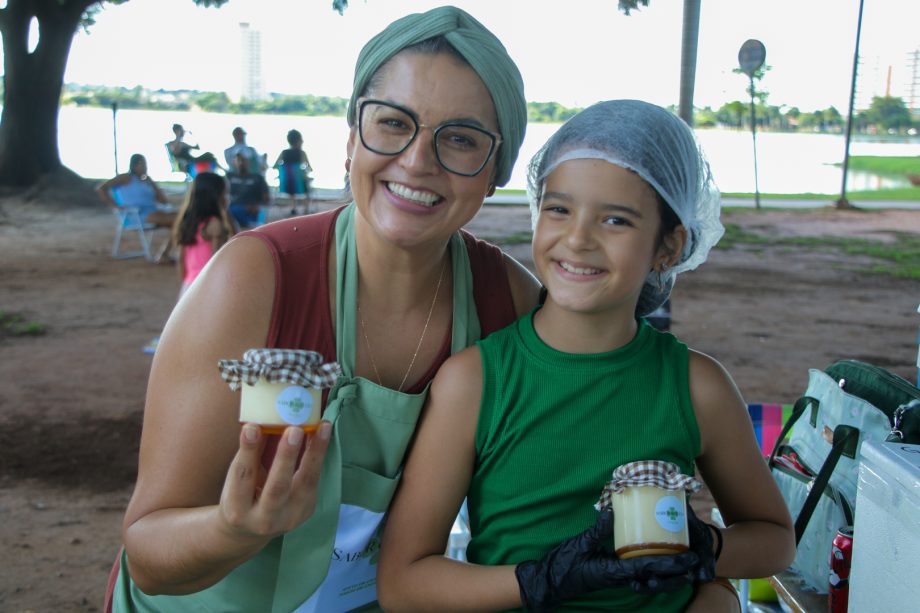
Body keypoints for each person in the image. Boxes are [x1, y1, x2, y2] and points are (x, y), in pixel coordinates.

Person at [106, 8, 737, 612]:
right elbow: (149, 554)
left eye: (460, 139)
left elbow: (603, 453)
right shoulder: (257, 278)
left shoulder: (509, 304)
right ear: (352, 137)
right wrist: (234, 528)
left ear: (498, 171)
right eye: (391, 122)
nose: (416, 161)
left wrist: (701, 581)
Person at [377, 100, 796, 611]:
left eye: (616, 220)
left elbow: (774, 540)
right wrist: (540, 580)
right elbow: (403, 584)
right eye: (558, 209)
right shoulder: (475, 381)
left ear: (669, 247)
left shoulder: (696, 385)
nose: (577, 239)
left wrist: (704, 551)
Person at [171, 172, 236, 297]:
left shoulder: (188, 222)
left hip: (189, 284)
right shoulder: (215, 224)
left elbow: (180, 259)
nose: (228, 198)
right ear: (216, 196)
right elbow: (216, 259)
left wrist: (187, 282)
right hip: (207, 284)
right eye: (226, 193)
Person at [96, 153, 175, 232]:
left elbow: (164, 202)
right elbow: (101, 188)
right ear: (134, 165)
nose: (145, 167)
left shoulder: (146, 182)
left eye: (146, 164)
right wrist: (115, 206)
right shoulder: (126, 178)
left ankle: (171, 244)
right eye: (143, 164)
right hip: (136, 215)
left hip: (153, 213)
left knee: (181, 219)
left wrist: (153, 184)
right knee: (179, 220)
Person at [226, 151, 270, 229]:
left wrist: (257, 206)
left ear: (248, 161)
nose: (241, 163)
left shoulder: (257, 178)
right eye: (238, 160)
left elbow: (266, 199)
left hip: (252, 212)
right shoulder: (229, 177)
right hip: (233, 210)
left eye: (243, 160)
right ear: (234, 162)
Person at [274, 128, 313, 201]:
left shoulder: (284, 153)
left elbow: (275, 166)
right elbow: (310, 168)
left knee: (293, 180)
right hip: (299, 183)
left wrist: (283, 170)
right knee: (305, 181)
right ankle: (306, 208)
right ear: (299, 140)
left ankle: (293, 206)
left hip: (286, 183)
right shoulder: (302, 153)